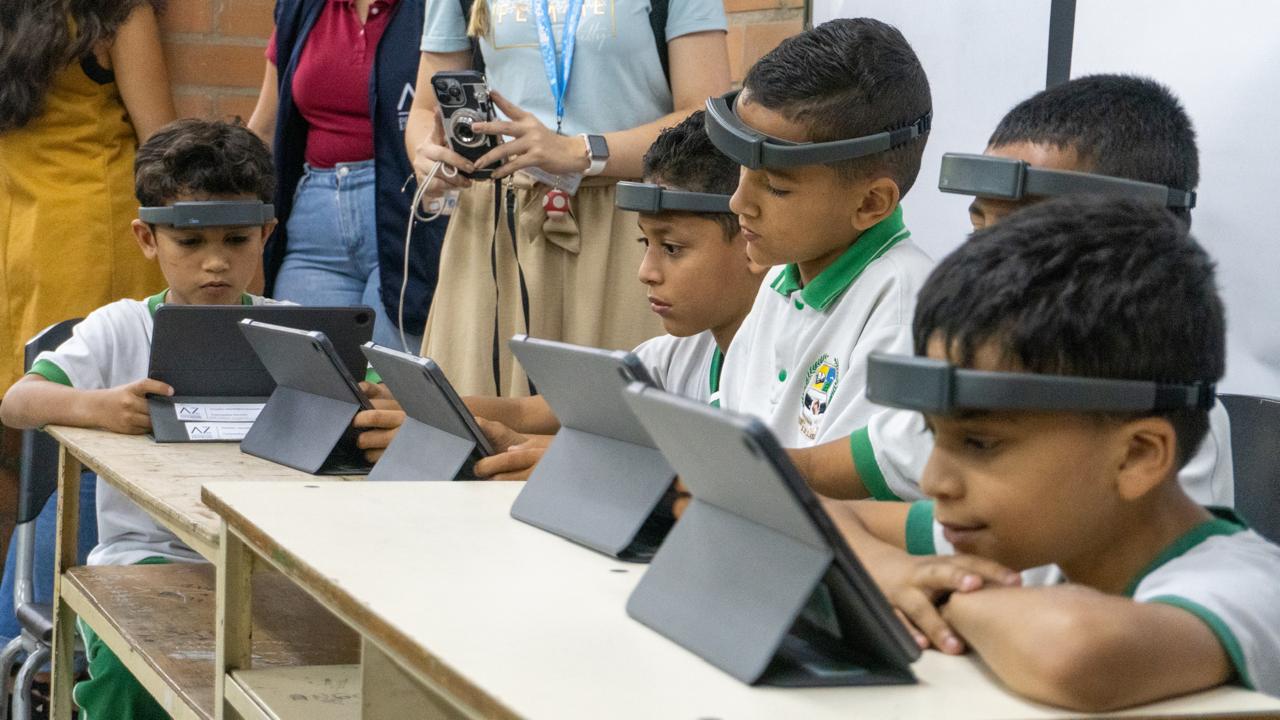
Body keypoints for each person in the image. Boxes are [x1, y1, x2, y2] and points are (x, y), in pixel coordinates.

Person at [851, 195, 1280, 710]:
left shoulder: (1249, 590)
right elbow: (824, 515)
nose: (933, 481)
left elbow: (1075, 653)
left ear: (1136, 456)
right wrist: (892, 571)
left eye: (980, 443)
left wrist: (937, 591)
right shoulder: (1045, 540)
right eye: (932, 433)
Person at [794, 74, 1232, 508]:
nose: (983, 259)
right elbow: (818, 471)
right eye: (978, 227)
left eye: (1024, 234)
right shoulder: (989, 366)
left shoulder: (1164, 416)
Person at [0, 119, 278, 719]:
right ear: (147, 238)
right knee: (134, 678)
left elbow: (380, 395)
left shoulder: (295, 330)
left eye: (236, 240)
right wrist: (100, 406)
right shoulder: (120, 327)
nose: (215, 263)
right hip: (146, 562)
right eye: (190, 242)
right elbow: (18, 402)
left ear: (266, 233)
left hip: (271, 568)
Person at [356, 110, 764, 479]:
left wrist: (529, 451)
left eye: (672, 248)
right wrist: (417, 405)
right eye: (645, 244)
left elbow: (733, 478)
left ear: (750, 238)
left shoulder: (782, 361)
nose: (646, 272)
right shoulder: (672, 356)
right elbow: (527, 412)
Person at [405, 0, 732, 397]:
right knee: (476, 411)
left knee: (616, 409)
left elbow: (707, 118)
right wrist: (427, 153)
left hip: (625, 220)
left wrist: (581, 151)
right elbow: (424, 109)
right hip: (497, 223)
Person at [0, 0, 174, 661]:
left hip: (22, 233)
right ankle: (55, 654)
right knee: (70, 462)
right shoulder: (116, 13)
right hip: (82, 238)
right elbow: (161, 147)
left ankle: (20, 651)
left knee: (24, 456)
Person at [713, 18, 935, 446]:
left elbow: (847, 478)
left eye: (776, 187)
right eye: (742, 170)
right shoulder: (779, 281)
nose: (738, 203)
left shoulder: (904, 303)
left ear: (871, 203)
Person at [248, 0, 444, 352]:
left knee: (390, 374)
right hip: (314, 218)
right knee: (305, 369)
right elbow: (265, 127)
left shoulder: (438, 8)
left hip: (404, 214)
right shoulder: (303, 7)